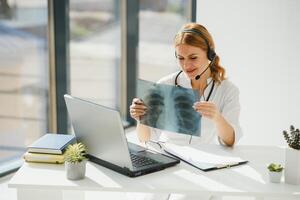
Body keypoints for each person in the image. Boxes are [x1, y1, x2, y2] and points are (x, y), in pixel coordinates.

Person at [130, 23, 242, 148]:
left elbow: (231, 141)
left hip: (205, 158)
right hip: (170, 155)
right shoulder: (165, 84)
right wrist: (142, 118)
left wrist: (217, 117)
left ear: (210, 54)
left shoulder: (228, 90)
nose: (186, 65)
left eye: (193, 58)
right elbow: (146, 138)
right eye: (181, 58)